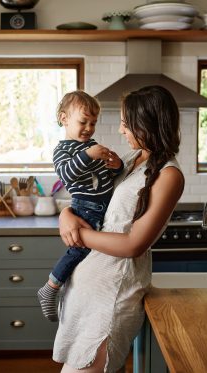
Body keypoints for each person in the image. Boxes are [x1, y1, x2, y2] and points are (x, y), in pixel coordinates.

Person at [52, 85, 185, 373]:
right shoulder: (129, 160)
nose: (121, 130)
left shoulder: (169, 175)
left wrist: (78, 233)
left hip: (111, 297)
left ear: (146, 124)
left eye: (126, 123)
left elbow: (134, 244)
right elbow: (91, 197)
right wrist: (66, 213)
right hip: (84, 290)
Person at [37, 90, 124, 322]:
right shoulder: (62, 151)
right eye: (83, 121)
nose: (88, 128)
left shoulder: (92, 145)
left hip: (103, 205)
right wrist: (88, 155)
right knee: (79, 249)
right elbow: (67, 174)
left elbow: (110, 174)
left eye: (93, 123)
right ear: (64, 119)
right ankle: (51, 286)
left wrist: (116, 165)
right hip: (86, 206)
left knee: (94, 257)